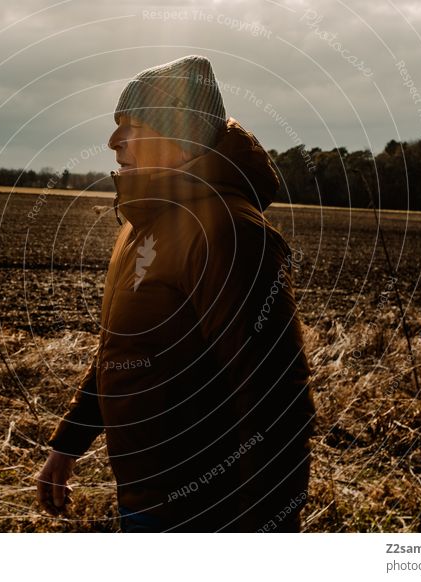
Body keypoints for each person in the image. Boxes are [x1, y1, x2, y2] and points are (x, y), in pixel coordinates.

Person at [36, 55, 316, 532]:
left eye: (133, 125)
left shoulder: (228, 232)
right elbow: (125, 346)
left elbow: (275, 399)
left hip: (208, 513)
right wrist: (68, 444)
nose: (112, 140)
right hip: (145, 498)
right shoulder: (143, 225)